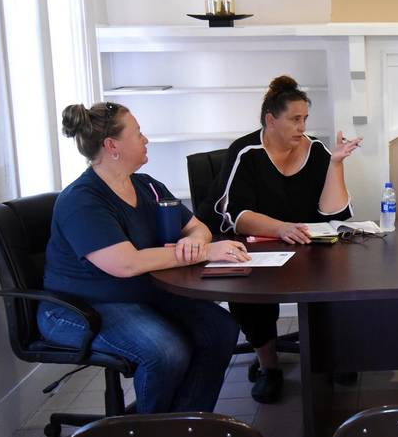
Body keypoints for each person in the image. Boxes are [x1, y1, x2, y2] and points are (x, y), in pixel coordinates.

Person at [39, 102, 245, 414]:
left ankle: (186, 423)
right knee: (166, 351)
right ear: (112, 146)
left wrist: (195, 241)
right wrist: (200, 253)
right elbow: (126, 264)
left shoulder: (148, 186)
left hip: (143, 295)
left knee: (221, 328)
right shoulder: (82, 201)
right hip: (82, 307)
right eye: (137, 133)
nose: (145, 139)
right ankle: (149, 427)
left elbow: (198, 227)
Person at [196, 75, 362, 403]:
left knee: (339, 279)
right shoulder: (246, 152)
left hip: (303, 245)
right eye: (295, 119)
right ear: (271, 120)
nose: (302, 127)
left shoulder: (315, 150)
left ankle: (331, 356)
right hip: (254, 244)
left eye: (305, 119)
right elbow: (237, 215)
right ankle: (269, 367)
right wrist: (280, 228)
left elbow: (334, 213)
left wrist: (335, 164)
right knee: (249, 293)